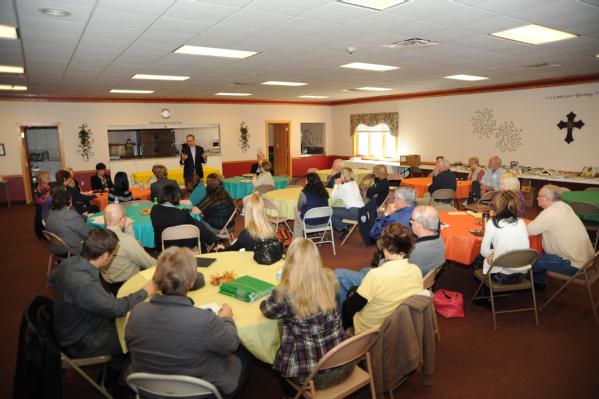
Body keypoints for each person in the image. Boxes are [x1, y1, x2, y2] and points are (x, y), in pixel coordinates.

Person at [125, 246, 250, 399]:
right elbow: (231, 344)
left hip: (148, 389)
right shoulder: (205, 320)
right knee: (244, 355)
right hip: (201, 392)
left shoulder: (136, 312)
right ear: (191, 282)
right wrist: (226, 318)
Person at [260, 238, 352, 392]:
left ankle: (290, 393)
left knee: (279, 349)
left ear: (290, 263)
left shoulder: (286, 292)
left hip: (312, 377)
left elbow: (267, 310)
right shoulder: (330, 280)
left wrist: (278, 288)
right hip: (344, 363)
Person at [49, 228, 156, 357]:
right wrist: (146, 290)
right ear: (105, 255)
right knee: (140, 336)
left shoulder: (69, 262)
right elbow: (118, 309)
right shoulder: (84, 283)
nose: (112, 258)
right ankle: (121, 372)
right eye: (113, 255)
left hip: (71, 326)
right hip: (81, 340)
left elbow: (52, 280)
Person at [341, 224, 423, 333]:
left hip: (370, 329)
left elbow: (353, 306)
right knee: (354, 291)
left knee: (346, 304)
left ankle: (345, 335)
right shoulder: (416, 270)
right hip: (397, 324)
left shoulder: (376, 275)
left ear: (385, 247)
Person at [527, 185, 594, 289]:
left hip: (572, 264)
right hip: (586, 260)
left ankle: (511, 281)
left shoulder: (549, 213)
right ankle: (539, 283)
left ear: (547, 198)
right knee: (541, 250)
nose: (536, 198)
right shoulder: (564, 206)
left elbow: (529, 230)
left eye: (539, 196)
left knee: (527, 261)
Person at [101, 204, 156, 295]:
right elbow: (149, 263)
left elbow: (129, 246)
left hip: (108, 282)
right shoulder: (125, 241)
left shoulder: (99, 235)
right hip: (128, 284)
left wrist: (128, 228)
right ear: (122, 220)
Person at [480, 191, 532, 283]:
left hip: (502, 275)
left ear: (496, 205)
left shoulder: (492, 223)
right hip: (522, 274)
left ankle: (485, 294)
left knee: (478, 260)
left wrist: (493, 253)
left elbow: (483, 252)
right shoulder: (521, 223)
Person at [150, 185, 219, 251]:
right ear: (176, 196)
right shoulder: (181, 214)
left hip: (162, 245)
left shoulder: (154, 209)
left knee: (198, 225)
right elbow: (195, 225)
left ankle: (213, 240)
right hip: (179, 245)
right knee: (198, 229)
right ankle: (209, 247)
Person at [45, 188, 91, 255]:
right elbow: (87, 233)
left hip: (56, 248)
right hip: (71, 250)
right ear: (69, 201)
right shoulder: (71, 215)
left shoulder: (50, 214)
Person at [409, 206, 446, 276]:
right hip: (428, 277)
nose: (410, 222)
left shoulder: (414, 250)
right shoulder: (441, 239)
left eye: (412, 220)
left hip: (414, 281)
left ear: (418, 225)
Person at [293, 172, 330, 239]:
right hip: (324, 222)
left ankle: (297, 240)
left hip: (309, 223)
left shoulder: (304, 193)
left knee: (296, 210)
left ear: (308, 181)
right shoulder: (324, 192)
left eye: (306, 180)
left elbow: (299, 207)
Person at [331, 167, 364, 236]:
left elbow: (333, 197)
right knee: (332, 210)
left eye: (341, 175)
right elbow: (341, 191)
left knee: (329, 211)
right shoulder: (354, 183)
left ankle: (343, 228)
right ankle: (344, 227)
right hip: (362, 210)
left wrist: (336, 184)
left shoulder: (344, 187)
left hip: (354, 212)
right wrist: (339, 184)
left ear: (343, 176)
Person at [34, 170, 51, 239]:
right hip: (42, 206)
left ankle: (39, 234)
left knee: (38, 218)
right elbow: (46, 199)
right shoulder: (44, 187)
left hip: (40, 205)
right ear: (42, 179)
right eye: (47, 178)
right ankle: (42, 234)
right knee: (42, 219)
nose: (49, 179)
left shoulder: (42, 185)